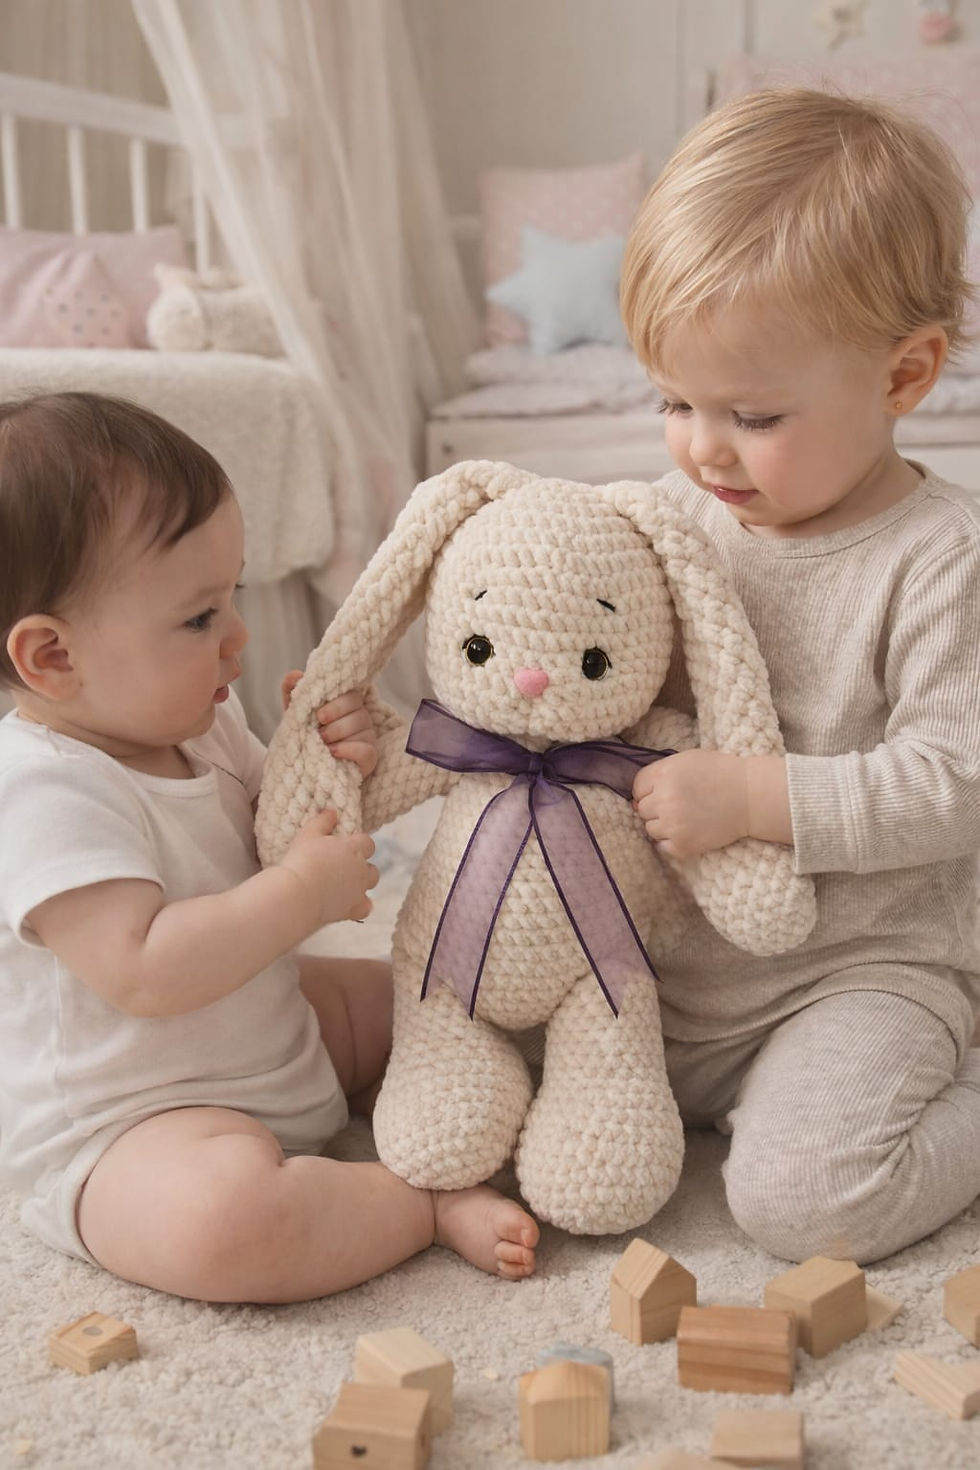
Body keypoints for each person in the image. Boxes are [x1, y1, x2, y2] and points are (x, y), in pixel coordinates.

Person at [0, 391, 538, 1303]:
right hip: (134, 1123)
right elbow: (144, 971)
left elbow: (279, 828)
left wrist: (329, 759)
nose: (237, 636)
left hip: (275, 1030)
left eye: (233, 597)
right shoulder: (41, 790)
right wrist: (300, 894)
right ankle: (418, 1202)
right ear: (52, 658)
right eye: (198, 618)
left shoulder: (199, 726)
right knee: (225, 1230)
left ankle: (585, 1077)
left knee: (445, 992)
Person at [619, 87, 980, 1264]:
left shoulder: (940, 558)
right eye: (672, 401)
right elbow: (581, 667)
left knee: (804, 1204)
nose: (700, 447)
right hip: (670, 965)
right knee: (452, 1023)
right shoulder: (670, 518)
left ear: (902, 376)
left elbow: (954, 782)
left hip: (858, 972)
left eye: (751, 414)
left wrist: (752, 797)